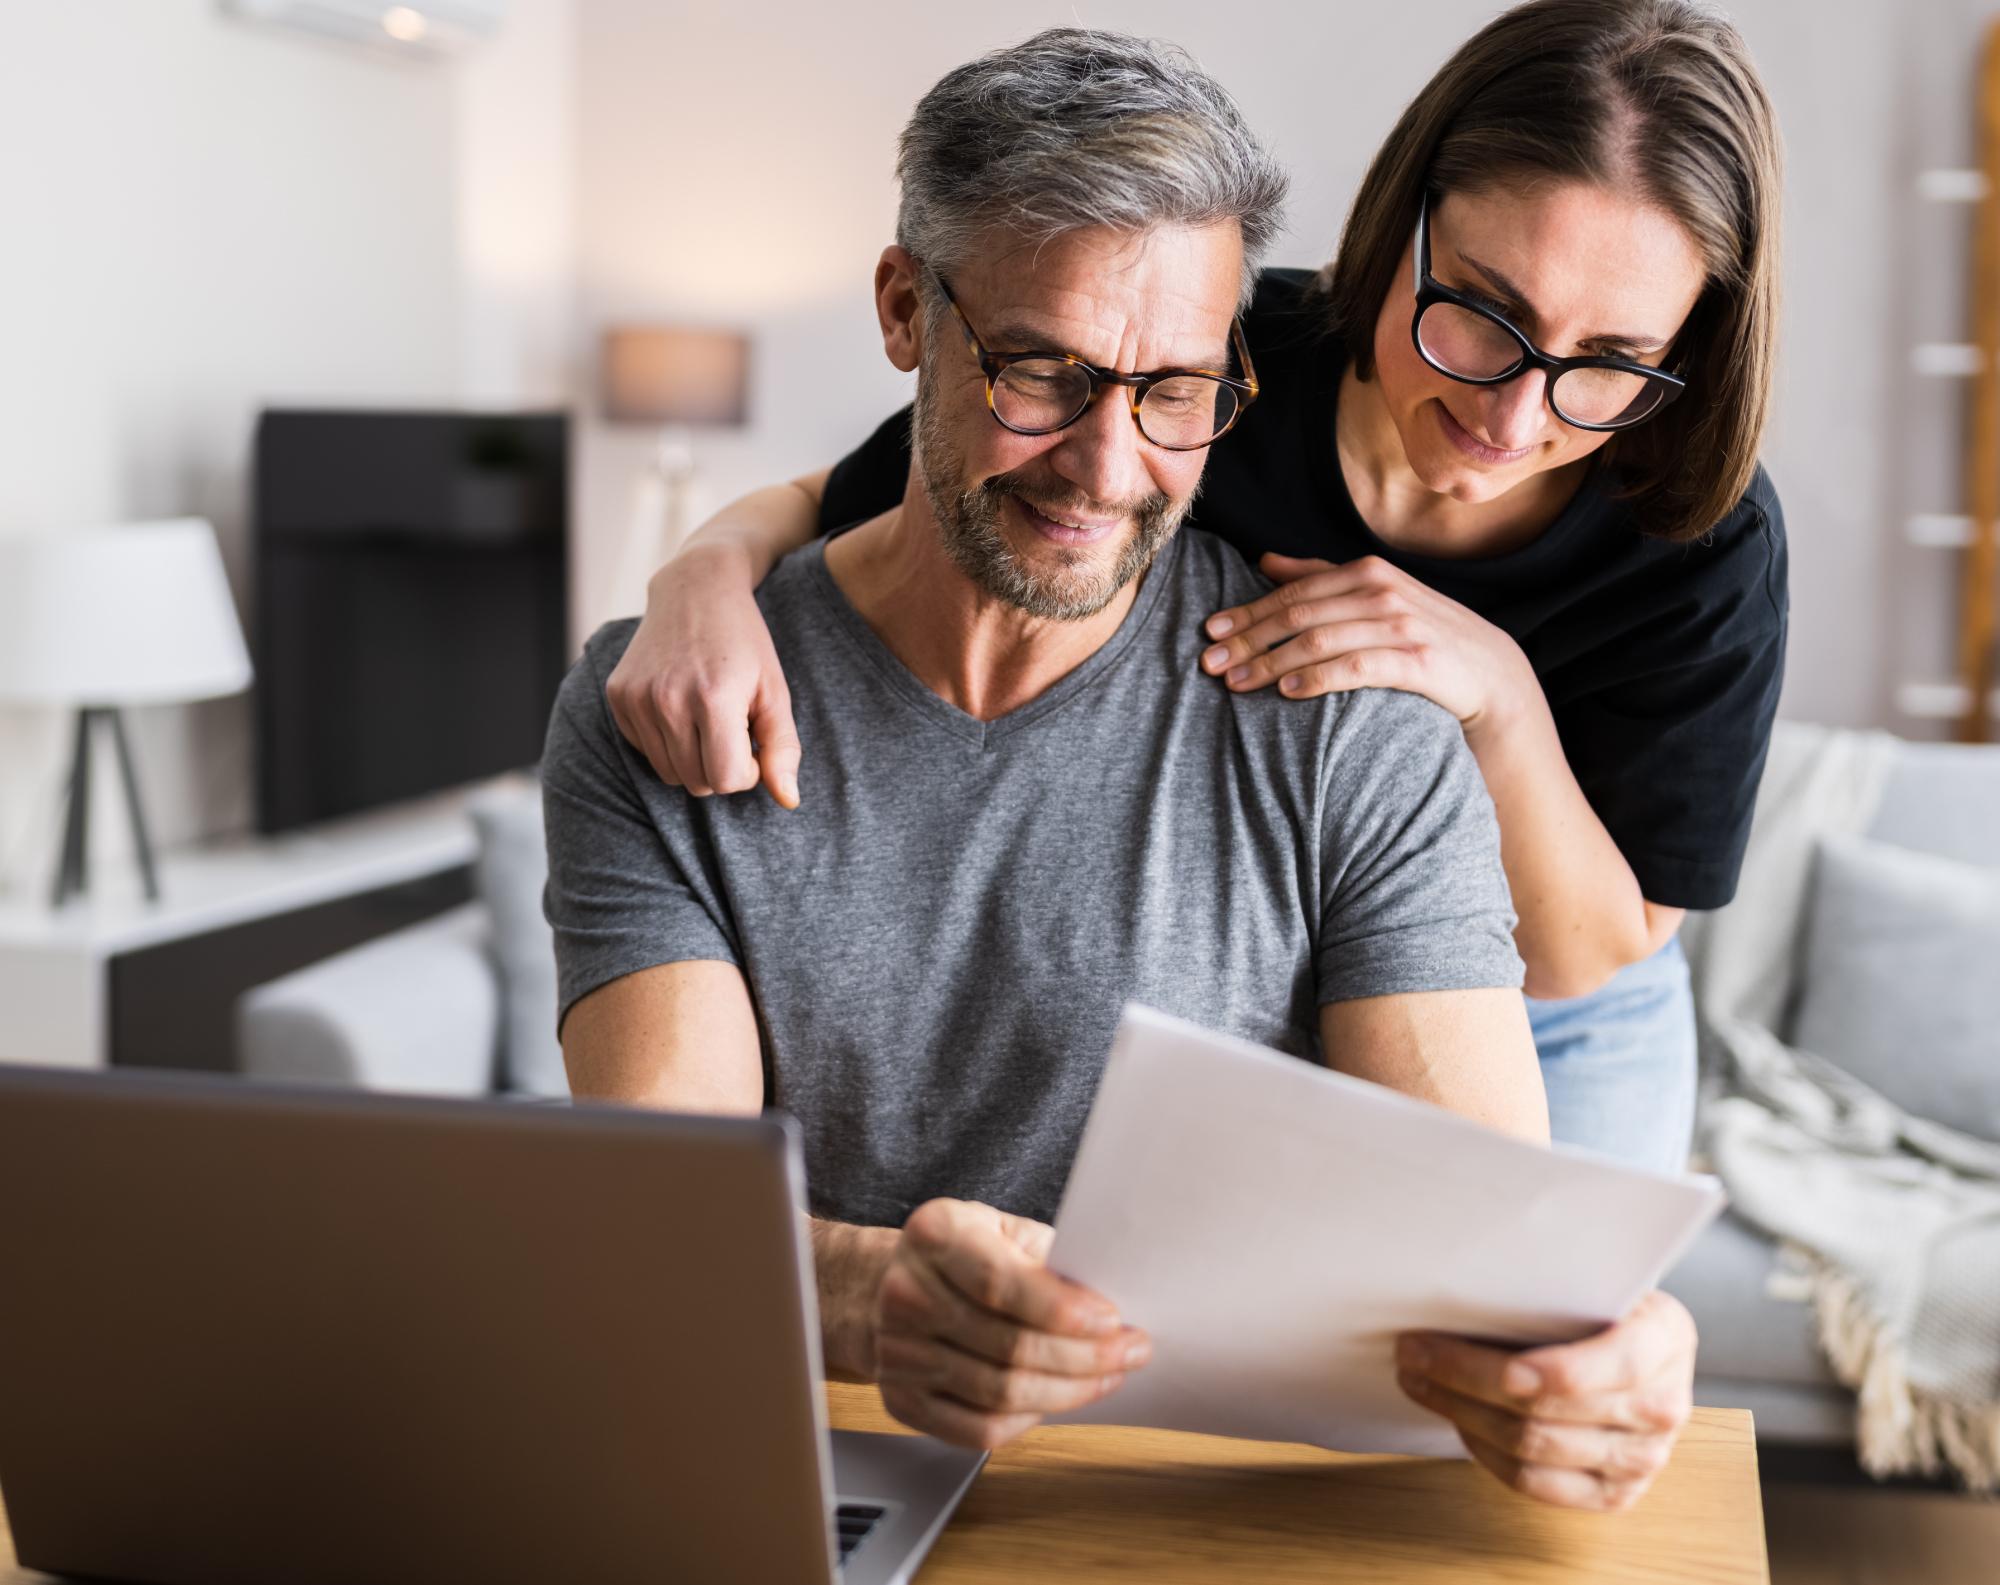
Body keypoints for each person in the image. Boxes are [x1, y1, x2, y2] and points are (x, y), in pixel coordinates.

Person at [551, 27, 1695, 1516]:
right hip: (805, 1488)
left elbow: (1491, 1263)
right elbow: (655, 1224)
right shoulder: (673, 704)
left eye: (1176, 392)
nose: (1105, 468)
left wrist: (1623, 1347)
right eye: (1043, 372)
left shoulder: (1356, 724)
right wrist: (865, 1296)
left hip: (1190, 1521)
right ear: (905, 311)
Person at [608, 0, 1787, 1187]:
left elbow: (1592, 951)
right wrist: (697, 575)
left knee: (1542, 1329)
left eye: (1608, 365)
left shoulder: (1699, 534)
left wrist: (1498, 697)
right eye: (1482, 316)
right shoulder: (1191, 351)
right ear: (1402, 228)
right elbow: (853, 495)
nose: (1512, 416)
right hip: (1289, 938)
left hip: (1555, 1006)